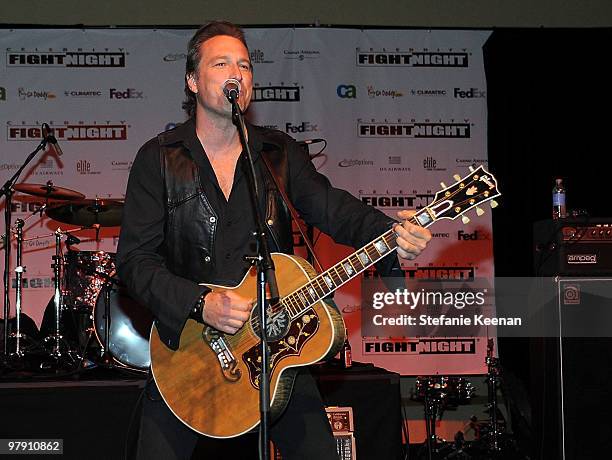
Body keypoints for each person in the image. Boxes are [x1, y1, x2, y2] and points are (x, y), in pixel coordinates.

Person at [116, 20, 432, 460]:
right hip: (185, 356)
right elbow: (134, 262)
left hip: (275, 348)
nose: (237, 73)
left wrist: (392, 234)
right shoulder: (160, 159)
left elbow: (333, 208)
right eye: (221, 63)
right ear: (192, 80)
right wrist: (200, 303)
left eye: (245, 66)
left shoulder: (277, 154)